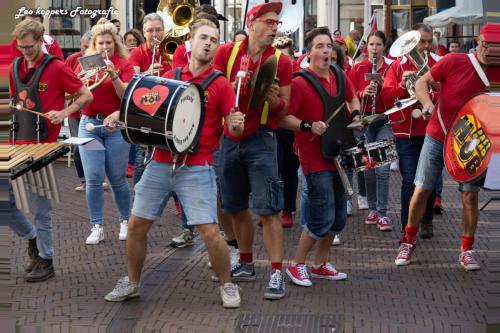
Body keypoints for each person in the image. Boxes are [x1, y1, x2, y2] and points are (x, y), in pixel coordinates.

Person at [104, 18, 244, 308]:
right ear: (190, 42)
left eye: (214, 39)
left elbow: (234, 130)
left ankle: (227, 284)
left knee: (210, 231)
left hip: (197, 165)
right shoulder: (172, 75)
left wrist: (235, 123)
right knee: (136, 225)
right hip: (160, 161)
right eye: (203, 37)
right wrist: (121, 114)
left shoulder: (221, 84)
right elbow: (146, 105)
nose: (208, 43)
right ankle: (132, 282)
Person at [395, 23, 500, 270]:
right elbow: (422, 82)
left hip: (473, 142)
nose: (489, 51)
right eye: (486, 45)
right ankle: (408, 241)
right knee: (421, 189)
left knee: (469, 196)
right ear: (478, 40)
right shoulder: (454, 60)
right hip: (438, 135)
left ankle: (467, 249)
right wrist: (427, 103)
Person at [213, 2, 292, 300]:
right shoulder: (226, 52)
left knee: (269, 208)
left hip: (261, 137)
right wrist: (230, 86)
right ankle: (245, 262)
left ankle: (275, 272)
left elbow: (286, 106)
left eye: (276, 24)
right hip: (229, 137)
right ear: (252, 23)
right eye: (270, 22)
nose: (275, 28)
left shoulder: (281, 62)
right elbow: (212, 90)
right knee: (233, 206)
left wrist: (270, 98)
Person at [8, 19, 92, 281]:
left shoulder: (55, 67)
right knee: (5, 204)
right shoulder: (14, 67)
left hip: (43, 147)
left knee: (40, 209)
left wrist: (65, 113)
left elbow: (85, 95)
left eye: (30, 47)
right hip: (17, 147)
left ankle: (46, 260)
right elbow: (15, 104)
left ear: (40, 41)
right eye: (21, 47)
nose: (25, 52)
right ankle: (32, 238)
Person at [279, 26, 360, 286]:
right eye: (319, 46)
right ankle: (296, 265)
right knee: (321, 215)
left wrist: (357, 116)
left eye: (328, 46)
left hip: (339, 153)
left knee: (337, 218)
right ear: (309, 52)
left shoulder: (339, 73)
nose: (326, 50)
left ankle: (320, 264)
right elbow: (283, 118)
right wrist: (307, 125)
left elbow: (353, 98)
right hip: (314, 158)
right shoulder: (299, 82)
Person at [77, 19, 135, 245]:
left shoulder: (124, 64)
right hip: (90, 126)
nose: (104, 48)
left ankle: (124, 221)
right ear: (94, 44)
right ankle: (97, 226)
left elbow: (126, 97)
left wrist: (113, 75)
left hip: (115, 128)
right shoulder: (87, 63)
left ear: (115, 43)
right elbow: (78, 94)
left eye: (108, 43)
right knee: (92, 178)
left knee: (117, 178)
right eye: (100, 43)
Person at [381, 23, 441, 237]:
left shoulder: (438, 64)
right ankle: (408, 225)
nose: (424, 46)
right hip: (405, 130)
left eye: (428, 41)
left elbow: (446, 94)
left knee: (429, 179)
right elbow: (387, 98)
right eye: (420, 42)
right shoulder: (397, 66)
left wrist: (431, 91)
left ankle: (426, 220)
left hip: (431, 130)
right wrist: (402, 85)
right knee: (409, 179)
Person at [349, 31, 395, 231]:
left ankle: (383, 214)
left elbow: (397, 97)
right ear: (366, 46)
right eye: (371, 44)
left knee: (383, 169)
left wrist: (384, 87)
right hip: (365, 121)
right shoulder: (358, 67)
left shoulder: (391, 67)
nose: (374, 48)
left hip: (384, 120)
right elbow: (349, 96)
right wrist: (362, 92)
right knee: (368, 168)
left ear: (384, 46)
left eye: (378, 44)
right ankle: (373, 209)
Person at [272, 36, 299, 227]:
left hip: (291, 128)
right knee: (273, 170)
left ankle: (287, 209)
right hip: (272, 127)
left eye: (286, 57)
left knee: (290, 170)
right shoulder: (268, 74)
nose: (282, 61)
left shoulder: (298, 76)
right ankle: (273, 208)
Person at [65, 31, 92, 192]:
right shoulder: (71, 59)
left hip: (90, 109)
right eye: (84, 48)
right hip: (75, 111)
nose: (85, 52)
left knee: (92, 145)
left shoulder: (96, 60)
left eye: (89, 48)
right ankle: (83, 180)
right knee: (77, 147)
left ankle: (95, 178)